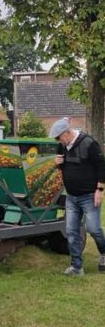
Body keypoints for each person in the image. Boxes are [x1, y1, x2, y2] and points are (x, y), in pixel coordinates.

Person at [49, 118, 105, 276]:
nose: (58, 141)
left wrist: (99, 190)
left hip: (89, 196)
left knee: (94, 229)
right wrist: (57, 163)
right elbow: (63, 167)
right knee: (71, 232)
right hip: (71, 197)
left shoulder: (89, 144)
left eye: (59, 137)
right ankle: (76, 267)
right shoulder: (62, 146)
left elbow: (102, 167)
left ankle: (104, 254)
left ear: (67, 133)